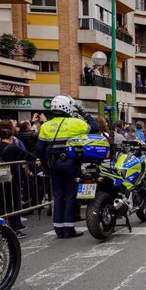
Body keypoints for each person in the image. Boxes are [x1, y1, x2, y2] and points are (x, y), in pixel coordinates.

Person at [36, 95, 100, 238]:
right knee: (70, 195)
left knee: (57, 196)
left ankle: (59, 229)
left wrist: (46, 166)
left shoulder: (46, 125)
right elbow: (95, 127)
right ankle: (69, 229)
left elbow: (39, 148)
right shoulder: (76, 123)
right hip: (71, 162)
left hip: (54, 164)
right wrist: (82, 111)